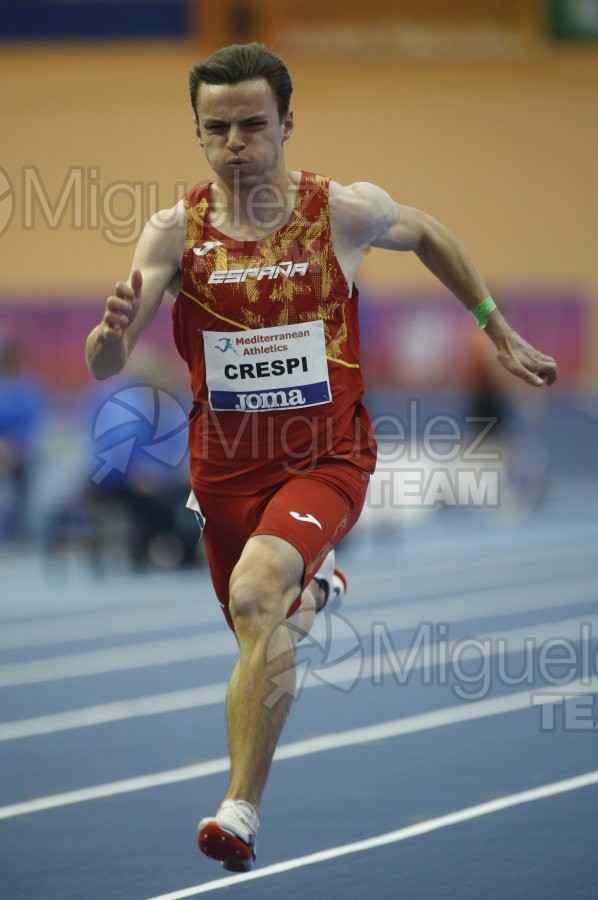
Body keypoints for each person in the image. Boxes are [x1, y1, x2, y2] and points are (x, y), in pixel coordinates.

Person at [85, 42, 557, 872]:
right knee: (258, 623)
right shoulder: (173, 233)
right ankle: (320, 583)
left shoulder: (340, 210)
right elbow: (105, 364)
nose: (236, 142)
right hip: (223, 471)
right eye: (217, 128)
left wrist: (495, 324)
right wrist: (108, 334)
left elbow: (430, 232)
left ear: (287, 123)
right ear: (198, 135)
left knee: (257, 590)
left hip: (326, 457)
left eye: (253, 124)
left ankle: (239, 810)